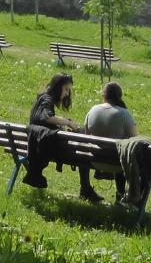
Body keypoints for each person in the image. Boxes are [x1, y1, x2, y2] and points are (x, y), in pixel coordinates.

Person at [23, 72, 103, 203]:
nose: (67, 94)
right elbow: (46, 117)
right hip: (59, 152)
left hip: (37, 146)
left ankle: (86, 188)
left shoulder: (41, 99)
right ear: (58, 87)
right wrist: (68, 123)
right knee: (84, 150)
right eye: (66, 89)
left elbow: (42, 122)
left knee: (80, 142)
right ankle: (85, 188)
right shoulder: (47, 99)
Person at [84, 82, 138, 202]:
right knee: (122, 150)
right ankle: (123, 196)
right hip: (118, 164)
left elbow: (87, 136)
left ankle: (118, 194)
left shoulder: (93, 110)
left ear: (104, 95)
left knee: (117, 150)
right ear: (120, 96)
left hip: (95, 160)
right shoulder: (124, 114)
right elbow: (136, 140)